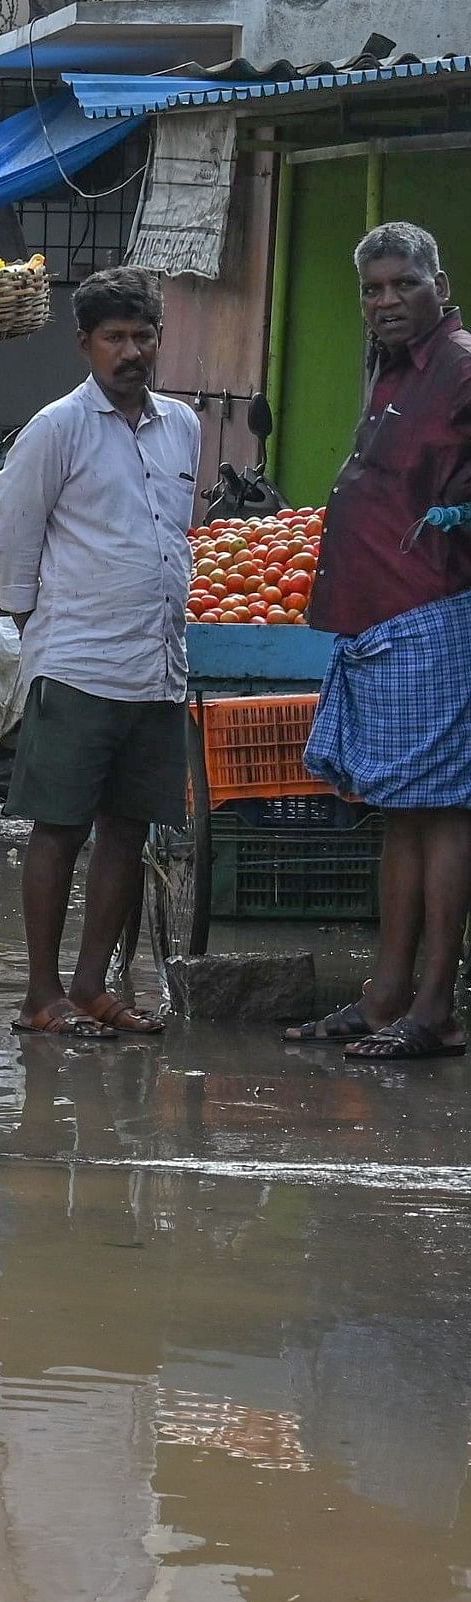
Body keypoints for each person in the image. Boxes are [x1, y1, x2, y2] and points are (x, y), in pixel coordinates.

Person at [0, 266, 199, 1041]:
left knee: (128, 829)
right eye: (114, 337)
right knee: (58, 828)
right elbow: (11, 543)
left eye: (142, 335)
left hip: (156, 666)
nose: (130, 350)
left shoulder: (181, 426)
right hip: (77, 662)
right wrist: (37, 625)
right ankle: (41, 994)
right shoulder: (55, 428)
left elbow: (171, 534)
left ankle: (92, 986)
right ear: (84, 344)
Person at [291, 223, 471, 1059]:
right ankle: (385, 994)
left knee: (440, 814)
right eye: (372, 289)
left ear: (438, 282)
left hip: (429, 610)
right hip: (380, 618)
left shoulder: (460, 364)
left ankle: (432, 1008)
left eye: (403, 284)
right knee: (405, 813)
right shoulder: (395, 370)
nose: (387, 301)